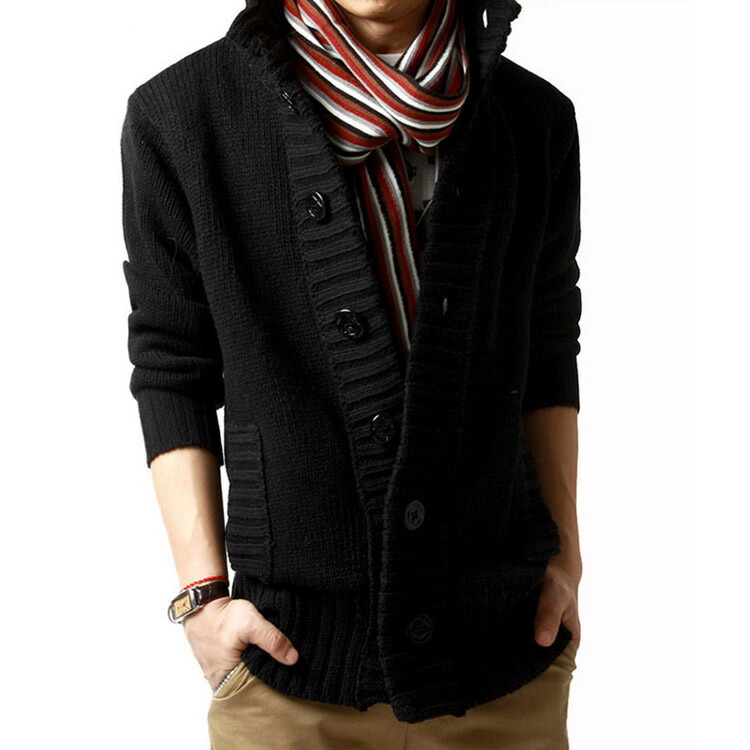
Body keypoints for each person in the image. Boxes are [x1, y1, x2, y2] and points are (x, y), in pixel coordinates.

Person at [120, 0, 583, 747]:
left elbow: (548, 346)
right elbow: (172, 363)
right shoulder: (181, 116)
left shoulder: (534, 120)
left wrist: (566, 559)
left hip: (505, 660)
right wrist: (202, 599)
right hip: (285, 673)